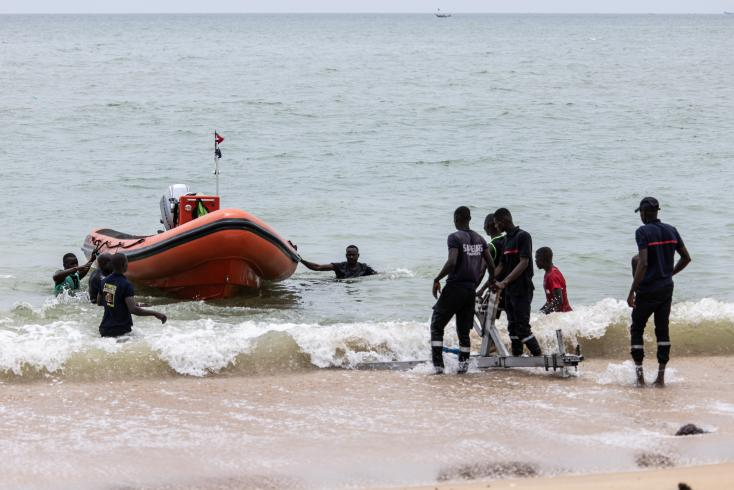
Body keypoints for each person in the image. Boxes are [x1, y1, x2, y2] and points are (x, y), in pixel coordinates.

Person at [627, 197, 691, 387]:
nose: (641, 216)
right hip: (666, 288)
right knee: (662, 330)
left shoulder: (642, 232)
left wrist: (632, 291)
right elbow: (686, 258)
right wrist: (669, 273)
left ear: (645, 212)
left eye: (641, 212)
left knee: (637, 328)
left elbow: (644, 262)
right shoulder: (671, 230)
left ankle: (640, 379)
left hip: (647, 290)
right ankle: (660, 379)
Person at [431, 206, 494, 374]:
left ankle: (438, 367)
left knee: (437, 324)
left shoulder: (454, 237)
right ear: (469, 219)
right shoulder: (481, 239)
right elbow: (490, 265)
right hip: (470, 290)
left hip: (455, 286)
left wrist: (437, 278)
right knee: (463, 331)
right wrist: (491, 281)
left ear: (456, 219)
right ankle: (463, 369)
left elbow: (452, 262)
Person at [491, 208, 542, 357]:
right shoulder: (506, 240)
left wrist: (505, 282)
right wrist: (487, 283)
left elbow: (524, 262)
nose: (496, 227)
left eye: (496, 223)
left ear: (504, 220)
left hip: (522, 289)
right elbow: (501, 266)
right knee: (512, 327)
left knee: (523, 328)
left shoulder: (523, 236)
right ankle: (517, 359)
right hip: (508, 292)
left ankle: (539, 357)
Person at [98, 253, 166, 338]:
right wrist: (155, 313)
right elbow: (133, 310)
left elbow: (100, 302)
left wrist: (131, 304)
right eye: (127, 262)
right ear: (124, 265)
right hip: (120, 330)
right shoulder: (126, 284)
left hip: (104, 329)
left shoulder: (104, 281)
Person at [301, 245, 377, 279]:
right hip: (339, 286)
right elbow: (318, 267)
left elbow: (377, 276)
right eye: (349, 255)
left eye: (353, 255)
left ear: (358, 255)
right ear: (346, 255)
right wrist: (301, 260)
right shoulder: (340, 266)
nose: (351, 257)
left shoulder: (364, 268)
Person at [535, 247, 572, 314]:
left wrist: (544, 314)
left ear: (544, 259)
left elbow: (558, 300)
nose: (535, 261)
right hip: (562, 315)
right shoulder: (548, 273)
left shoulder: (552, 275)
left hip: (564, 315)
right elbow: (551, 300)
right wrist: (541, 312)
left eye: (537, 258)